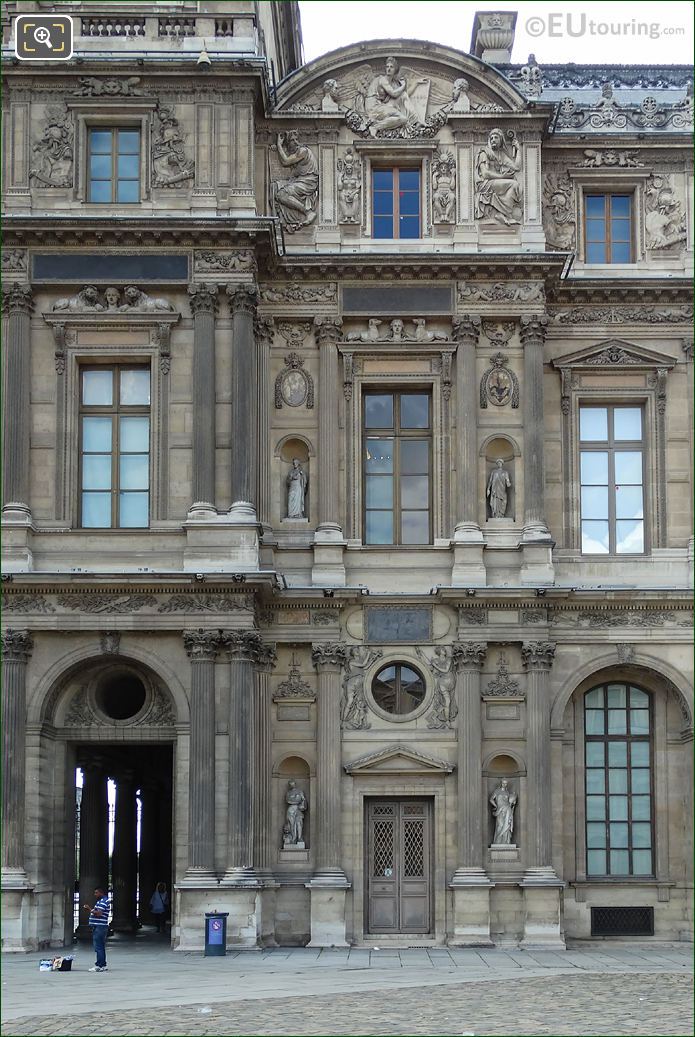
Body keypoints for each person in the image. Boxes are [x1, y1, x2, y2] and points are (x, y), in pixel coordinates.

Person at [83, 886, 110, 971]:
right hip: (99, 926)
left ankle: (99, 965)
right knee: (100, 946)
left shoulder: (103, 901)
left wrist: (89, 909)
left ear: (101, 893)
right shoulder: (102, 901)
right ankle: (103, 965)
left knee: (98, 947)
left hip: (100, 927)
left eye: (96, 893)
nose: (95, 895)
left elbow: (99, 913)